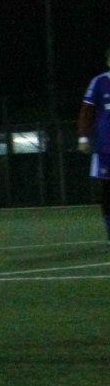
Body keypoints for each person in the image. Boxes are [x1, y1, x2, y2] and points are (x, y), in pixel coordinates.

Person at [77, 44, 110, 242]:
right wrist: (83, 137)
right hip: (105, 148)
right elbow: (86, 111)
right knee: (106, 192)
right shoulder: (99, 82)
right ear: (108, 61)